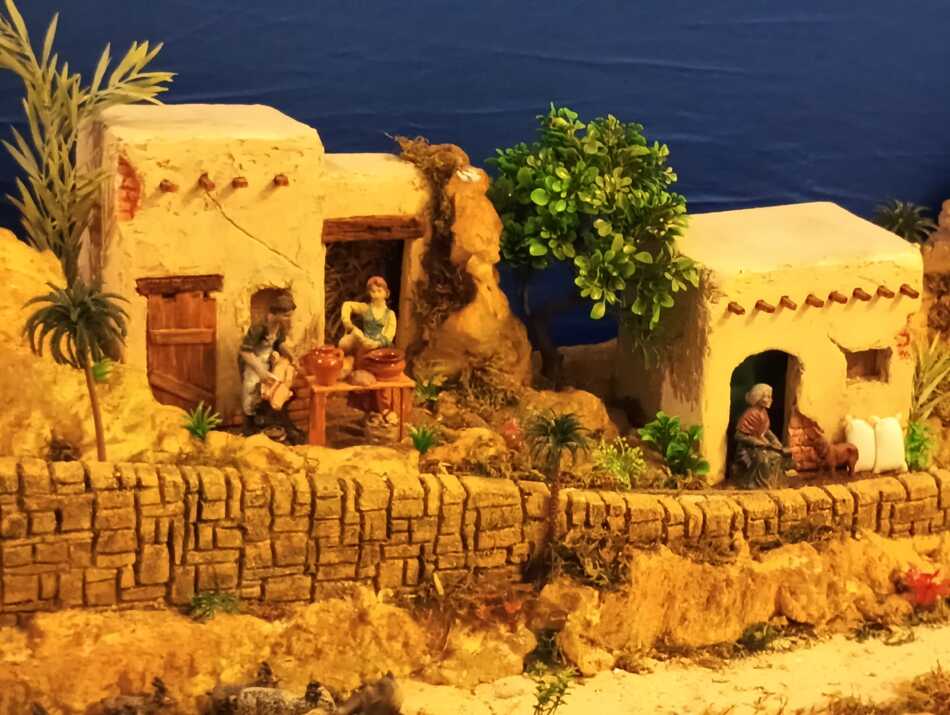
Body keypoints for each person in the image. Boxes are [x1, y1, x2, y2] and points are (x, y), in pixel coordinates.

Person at [238, 293, 305, 443]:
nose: (289, 319)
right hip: (253, 364)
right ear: (276, 314)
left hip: (267, 362)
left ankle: (271, 423)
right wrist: (260, 371)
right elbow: (245, 352)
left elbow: (279, 344)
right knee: (251, 390)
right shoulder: (259, 328)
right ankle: (249, 427)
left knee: (274, 390)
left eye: (290, 315)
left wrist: (292, 356)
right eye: (286, 316)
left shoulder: (278, 328)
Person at [730, 383, 793, 489]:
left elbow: (766, 431)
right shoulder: (750, 414)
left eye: (770, 397)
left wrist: (775, 441)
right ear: (758, 397)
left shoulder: (763, 413)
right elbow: (739, 436)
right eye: (767, 397)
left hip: (761, 446)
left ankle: (772, 482)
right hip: (747, 449)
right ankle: (752, 483)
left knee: (778, 456)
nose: (770, 399)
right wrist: (758, 443)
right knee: (763, 460)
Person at [338, 275, 397, 376]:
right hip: (365, 342)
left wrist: (376, 344)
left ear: (386, 293)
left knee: (379, 362)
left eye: (379, 291)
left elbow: (389, 335)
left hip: (380, 346)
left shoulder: (389, 314)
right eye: (373, 291)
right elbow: (347, 305)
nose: (376, 294)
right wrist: (347, 322)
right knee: (345, 343)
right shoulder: (366, 308)